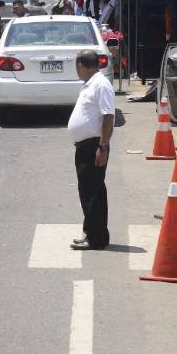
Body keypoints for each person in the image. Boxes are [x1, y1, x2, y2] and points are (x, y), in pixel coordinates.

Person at [68, 49, 116, 250]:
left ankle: (95, 238)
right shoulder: (90, 84)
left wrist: (103, 146)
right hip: (87, 145)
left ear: (80, 65)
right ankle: (95, 233)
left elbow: (108, 116)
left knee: (90, 193)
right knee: (93, 190)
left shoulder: (100, 84)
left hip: (94, 145)